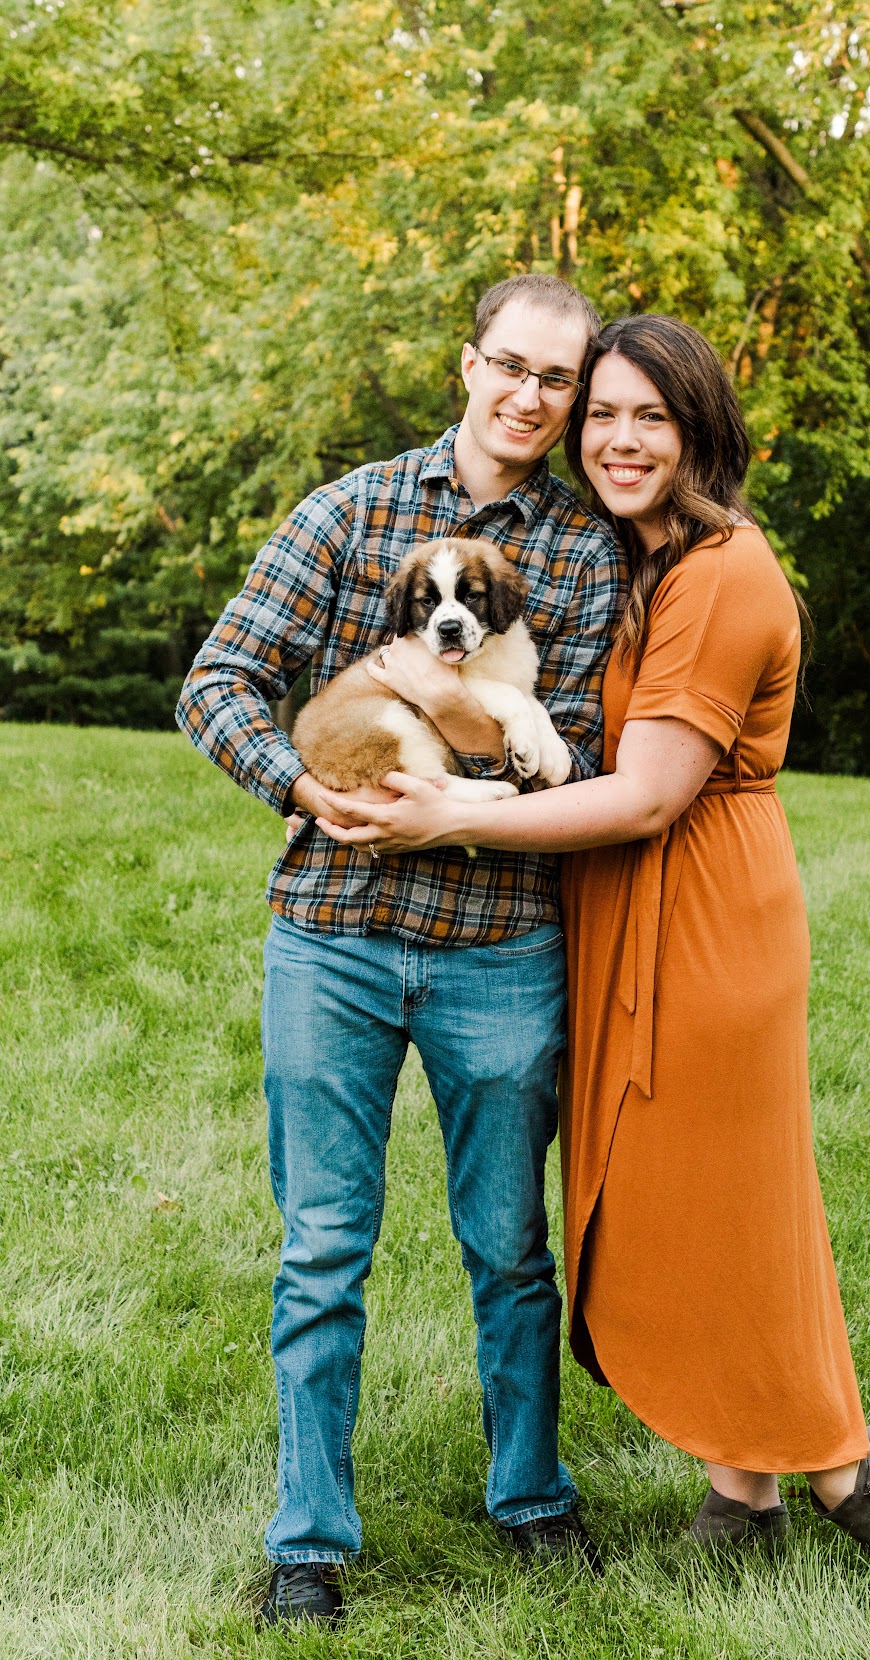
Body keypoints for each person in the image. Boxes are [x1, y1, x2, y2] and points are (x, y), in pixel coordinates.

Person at [323, 314, 870, 1563]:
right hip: (618, 908)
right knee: (677, 1207)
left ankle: (848, 1470)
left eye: (648, 414)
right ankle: (746, 1490)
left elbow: (650, 792)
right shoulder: (626, 562)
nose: (615, 435)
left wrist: (449, 819)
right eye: (600, 412)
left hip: (700, 908)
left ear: (700, 425)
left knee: (725, 1203)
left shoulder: (722, 571)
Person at [176, 274, 625, 1627]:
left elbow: (583, 761)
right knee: (323, 1244)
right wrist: (303, 790)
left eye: (558, 379)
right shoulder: (348, 510)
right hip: (336, 940)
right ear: (469, 364)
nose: (530, 397)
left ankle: (531, 1499)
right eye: (512, 366)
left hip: (498, 945)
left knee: (509, 1242)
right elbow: (216, 682)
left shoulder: (586, 549)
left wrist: (456, 720)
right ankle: (308, 1539)